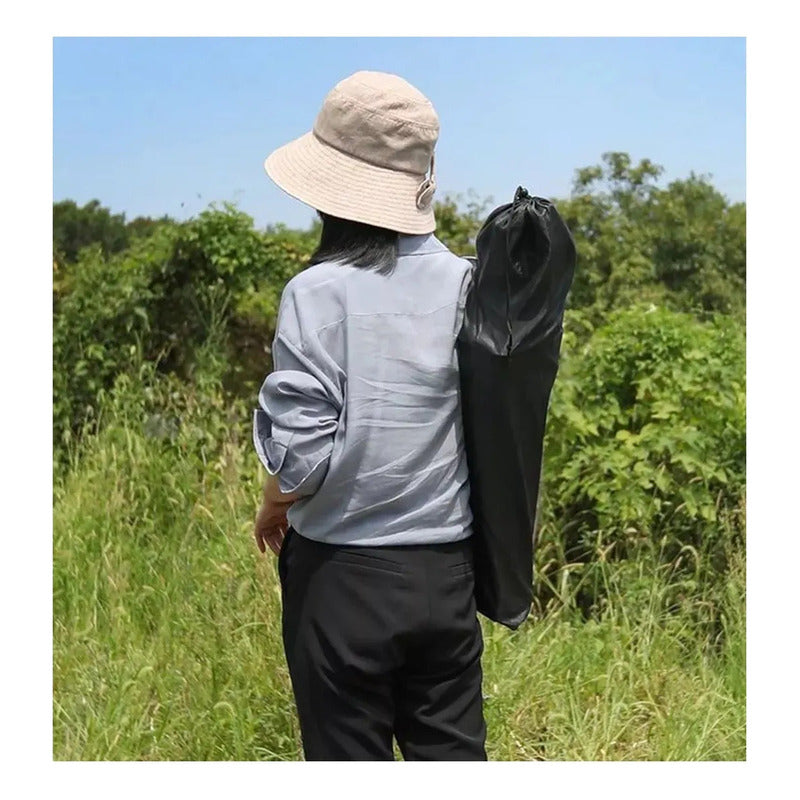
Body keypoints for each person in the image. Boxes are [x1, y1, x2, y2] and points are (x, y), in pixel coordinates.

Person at [252, 70, 487, 761]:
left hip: (342, 579)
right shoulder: (470, 283)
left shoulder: (316, 292)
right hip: (447, 574)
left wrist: (273, 504)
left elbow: (302, 458)